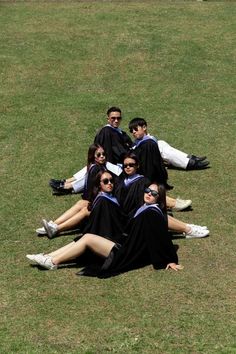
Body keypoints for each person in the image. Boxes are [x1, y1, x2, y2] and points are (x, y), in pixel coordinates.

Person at [26, 183, 183, 276]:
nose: (149, 194)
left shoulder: (152, 213)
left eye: (153, 193)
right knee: (86, 236)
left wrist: (170, 259)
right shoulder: (145, 207)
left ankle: (53, 262)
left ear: (159, 197)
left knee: (88, 238)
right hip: (123, 244)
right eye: (147, 191)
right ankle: (47, 256)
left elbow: (161, 237)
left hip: (125, 252)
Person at [116, 152, 209, 238]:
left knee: (155, 212)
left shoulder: (142, 181)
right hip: (127, 220)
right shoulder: (121, 182)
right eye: (125, 165)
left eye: (131, 165)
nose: (128, 167)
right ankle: (188, 229)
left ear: (137, 166)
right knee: (155, 213)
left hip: (137, 213)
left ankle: (188, 228)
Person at [37, 148, 116, 238]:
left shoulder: (107, 168)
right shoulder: (96, 167)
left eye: (103, 154)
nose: (102, 156)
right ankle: (53, 224)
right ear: (93, 156)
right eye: (99, 155)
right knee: (81, 203)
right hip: (103, 201)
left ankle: (56, 229)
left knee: (86, 210)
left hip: (108, 211)